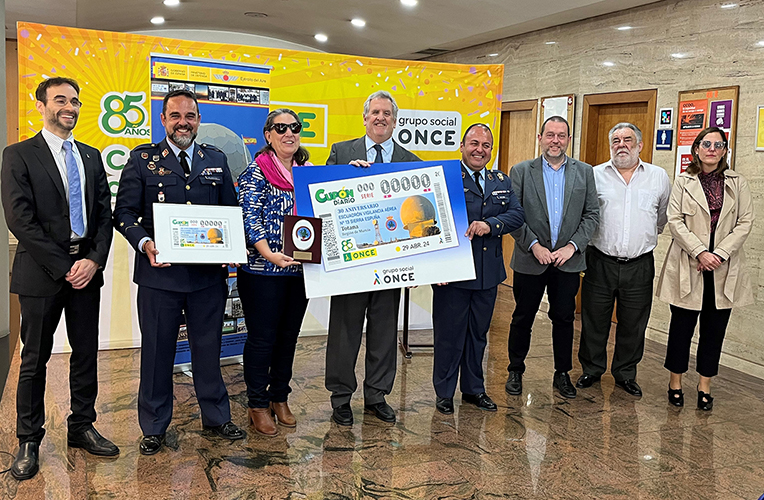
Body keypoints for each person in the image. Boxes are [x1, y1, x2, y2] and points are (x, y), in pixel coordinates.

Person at [113, 89, 246, 455]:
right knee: (157, 353)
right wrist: (145, 243)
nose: (183, 122)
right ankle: (154, 426)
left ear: (198, 120)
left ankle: (217, 417)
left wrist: (231, 247)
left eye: (190, 116)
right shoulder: (142, 160)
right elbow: (123, 214)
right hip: (160, 278)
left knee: (208, 350)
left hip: (207, 280)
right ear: (164, 119)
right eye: (176, 116)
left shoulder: (215, 159)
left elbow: (230, 214)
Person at [1, 77, 117, 480]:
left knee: (86, 354)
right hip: (41, 273)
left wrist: (93, 260)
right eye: (61, 100)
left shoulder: (90, 155)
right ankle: (28, 440)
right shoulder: (18, 155)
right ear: (41, 106)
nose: (70, 107)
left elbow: (105, 215)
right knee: (34, 360)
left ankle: (82, 426)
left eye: (75, 101)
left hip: (86, 272)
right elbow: (20, 219)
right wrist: (63, 264)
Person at [324, 91, 420, 426]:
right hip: (351, 263)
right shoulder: (341, 152)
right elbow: (322, 200)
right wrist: (343, 177)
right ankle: (340, 398)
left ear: (395, 121)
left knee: (383, 330)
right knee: (344, 331)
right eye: (375, 112)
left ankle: (377, 395)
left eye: (387, 113)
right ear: (365, 118)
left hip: (391, 262)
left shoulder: (411, 161)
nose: (380, 118)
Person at [657, 127, 753, 410]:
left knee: (714, 331)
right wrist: (700, 251)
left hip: (723, 267)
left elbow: (745, 222)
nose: (712, 149)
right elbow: (674, 221)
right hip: (689, 263)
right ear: (696, 148)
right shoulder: (683, 181)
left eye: (718, 144)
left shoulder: (738, 183)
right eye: (706, 143)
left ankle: (704, 385)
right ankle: (675, 382)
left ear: (725, 151)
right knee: (681, 329)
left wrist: (718, 254)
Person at [432, 124, 524, 415]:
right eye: (474, 143)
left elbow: (517, 214)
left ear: (491, 151)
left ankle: (473, 389)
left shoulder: (501, 180)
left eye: (486, 145)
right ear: (461, 146)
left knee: (478, 334)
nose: (479, 150)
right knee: (449, 335)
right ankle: (444, 392)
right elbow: (430, 223)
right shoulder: (445, 178)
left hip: (487, 273)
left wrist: (491, 225)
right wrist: (436, 269)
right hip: (453, 273)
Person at [505, 116, 599, 399]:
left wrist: (572, 246)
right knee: (523, 317)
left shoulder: (584, 172)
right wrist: (533, 244)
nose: (555, 140)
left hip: (567, 261)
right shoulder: (521, 171)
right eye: (550, 135)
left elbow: (592, 214)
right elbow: (514, 214)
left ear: (568, 139)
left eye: (561, 135)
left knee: (564, 318)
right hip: (531, 259)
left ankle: (562, 373)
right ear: (540, 137)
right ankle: (515, 370)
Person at [577, 123, 671, 396]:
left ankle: (625, 373)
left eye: (628, 140)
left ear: (640, 145)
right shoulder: (594, 175)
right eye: (616, 140)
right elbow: (586, 215)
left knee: (634, 323)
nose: (622, 145)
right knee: (594, 320)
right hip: (600, 260)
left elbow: (662, 218)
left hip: (640, 263)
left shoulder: (658, 177)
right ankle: (591, 370)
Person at [237, 109, 312, 436]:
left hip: (299, 273)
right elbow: (248, 219)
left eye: (294, 128)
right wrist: (270, 254)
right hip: (262, 272)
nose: (288, 133)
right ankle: (257, 403)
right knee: (262, 339)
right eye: (280, 128)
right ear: (268, 135)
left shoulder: (310, 172)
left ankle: (279, 397)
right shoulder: (256, 171)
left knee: (288, 338)